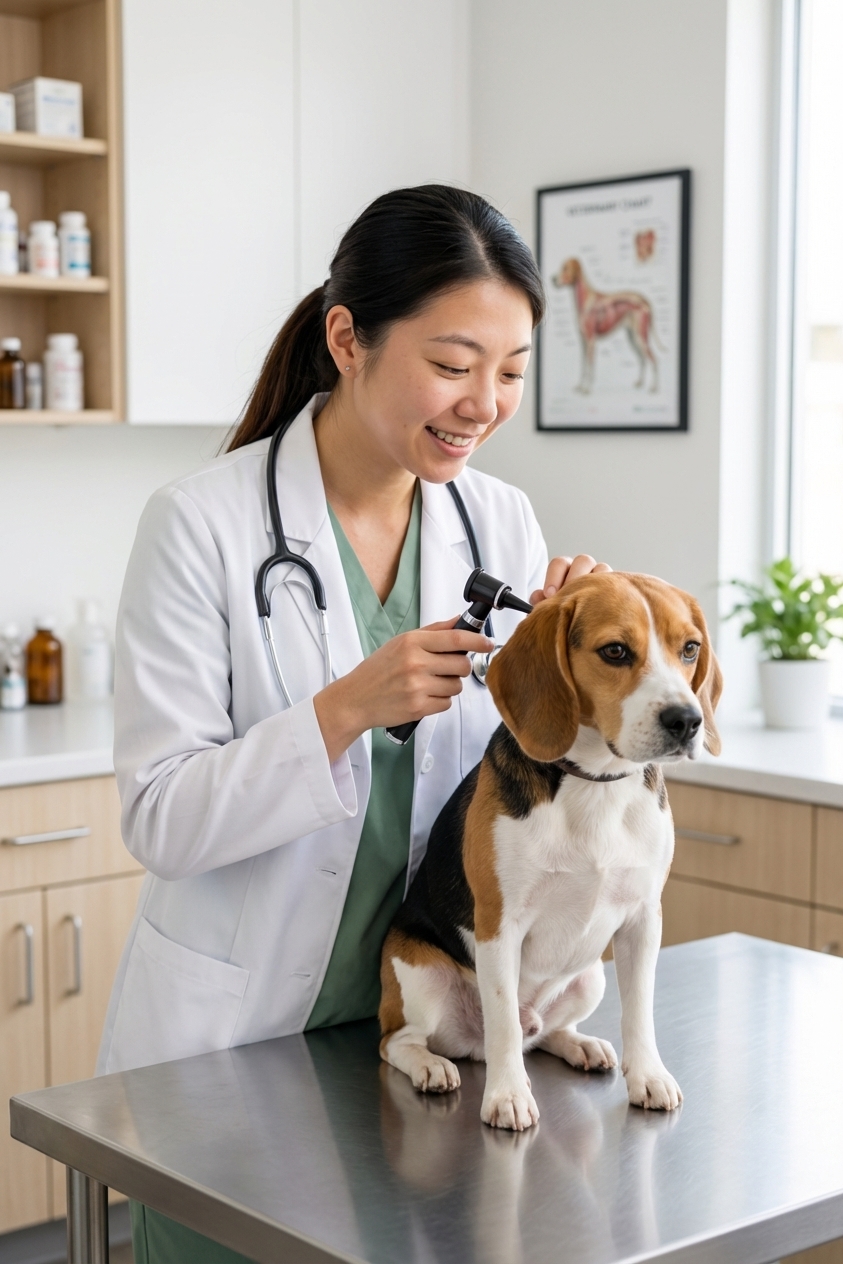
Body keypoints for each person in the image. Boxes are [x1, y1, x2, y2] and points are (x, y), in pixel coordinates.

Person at [97, 185, 609, 1262]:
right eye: (455, 363)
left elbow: (528, 783)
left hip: (426, 1041)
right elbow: (160, 817)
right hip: (244, 1052)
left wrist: (571, 662)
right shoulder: (201, 526)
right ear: (348, 338)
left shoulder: (499, 520)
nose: (484, 401)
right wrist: (339, 713)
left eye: (511, 372)